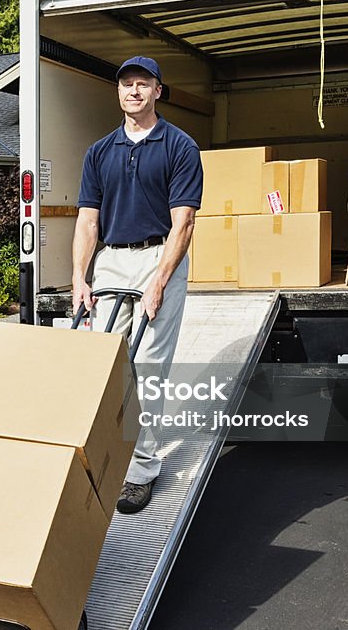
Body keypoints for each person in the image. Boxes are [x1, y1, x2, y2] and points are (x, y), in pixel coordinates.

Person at [72, 56, 203, 514]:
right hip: (112, 260)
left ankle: (141, 471)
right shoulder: (100, 152)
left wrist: (160, 281)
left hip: (159, 255)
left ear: (157, 92)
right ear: (119, 93)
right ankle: (101, 456)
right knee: (106, 368)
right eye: (126, 84)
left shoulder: (179, 146)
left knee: (147, 368)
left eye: (143, 84)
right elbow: (88, 221)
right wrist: (79, 280)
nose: (134, 91)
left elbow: (183, 222)